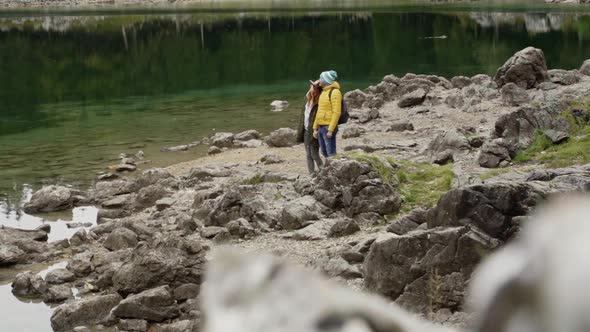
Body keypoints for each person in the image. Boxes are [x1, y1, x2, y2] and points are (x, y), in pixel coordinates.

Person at [312, 70, 341, 157]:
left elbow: (337, 112)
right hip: (321, 127)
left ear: (325, 80)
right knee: (324, 152)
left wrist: (331, 130)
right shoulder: (323, 92)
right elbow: (319, 111)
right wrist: (315, 128)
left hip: (328, 127)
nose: (319, 80)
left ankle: (334, 169)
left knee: (331, 153)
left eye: (320, 78)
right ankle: (329, 169)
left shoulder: (335, 92)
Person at [296, 81, 323, 174]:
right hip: (306, 130)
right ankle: (311, 174)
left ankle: (324, 172)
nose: (310, 86)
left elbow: (320, 118)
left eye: (312, 86)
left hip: (315, 131)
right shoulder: (307, 98)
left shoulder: (320, 102)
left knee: (314, 154)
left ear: (316, 89)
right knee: (308, 154)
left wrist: (317, 130)